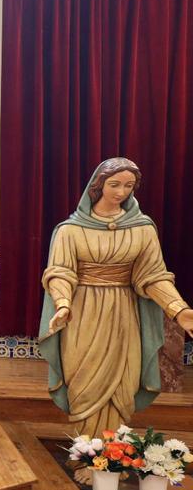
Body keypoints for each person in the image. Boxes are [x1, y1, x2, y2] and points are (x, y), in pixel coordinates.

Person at [40, 157, 193, 437]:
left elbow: (153, 275)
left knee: (123, 381)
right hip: (82, 312)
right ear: (97, 186)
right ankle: (86, 450)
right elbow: (60, 271)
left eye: (129, 185)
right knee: (84, 380)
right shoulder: (70, 230)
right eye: (114, 184)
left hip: (124, 314)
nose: (121, 192)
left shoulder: (143, 228)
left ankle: (114, 451)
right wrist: (62, 304)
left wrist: (179, 310)